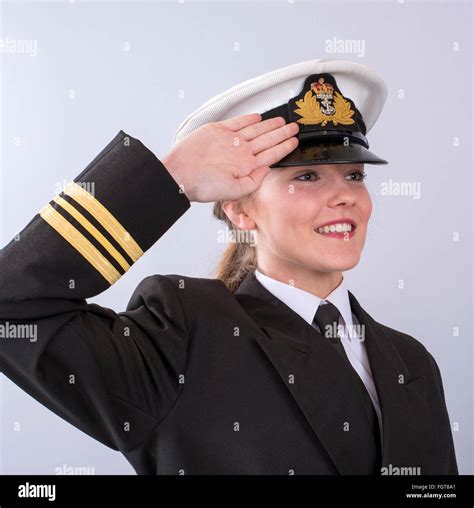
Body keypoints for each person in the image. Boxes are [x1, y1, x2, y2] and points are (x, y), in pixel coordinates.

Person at [0, 59, 458, 475]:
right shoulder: (180, 334)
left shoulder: (411, 361)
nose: (345, 196)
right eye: (306, 176)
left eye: (354, 175)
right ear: (241, 211)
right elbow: (11, 304)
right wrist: (171, 177)